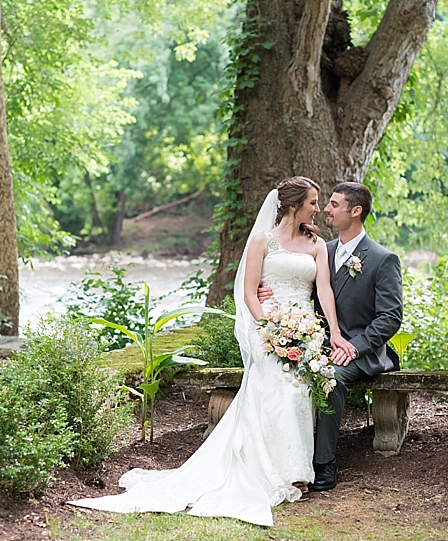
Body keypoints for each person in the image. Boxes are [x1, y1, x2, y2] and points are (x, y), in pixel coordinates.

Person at [68, 177, 352, 526]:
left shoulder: (316, 244)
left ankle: (296, 470)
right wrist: (270, 329)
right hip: (269, 326)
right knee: (277, 386)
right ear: (294, 205)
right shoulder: (262, 241)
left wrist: (332, 333)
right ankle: (277, 471)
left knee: (300, 393)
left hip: (305, 328)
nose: (317, 208)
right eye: (312, 202)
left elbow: (323, 290)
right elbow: (249, 292)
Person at [262, 181, 403, 492]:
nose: (326, 209)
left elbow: (391, 318)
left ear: (355, 211)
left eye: (334, 205)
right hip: (317, 343)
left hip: (364, 351)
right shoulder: (320, 249)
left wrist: (354, 347)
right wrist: (265, 292)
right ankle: (283, 457)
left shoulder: (382, 259)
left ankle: (324, 462)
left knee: (331, 377)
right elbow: (299, 288)